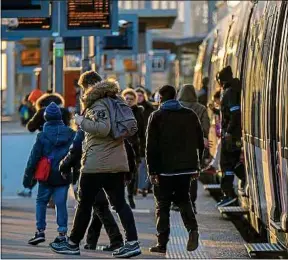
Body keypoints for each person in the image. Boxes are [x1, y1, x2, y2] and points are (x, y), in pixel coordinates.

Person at [50, 71, 141, 258]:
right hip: (116, 162)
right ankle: (132, 242)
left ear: (88, 87)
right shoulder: (117, 101)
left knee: (84, 204)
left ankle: (73, 243)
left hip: (97, 163)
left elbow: (103, 128)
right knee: (120, 204)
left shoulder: (98, 104)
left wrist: (81, 121)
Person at [146, 85, 204, 254]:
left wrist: (152, 171)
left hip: (164, 171)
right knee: (184, 200)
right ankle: (192, 230)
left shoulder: (156, 116)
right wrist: (196, 165)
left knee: (162, 206)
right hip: (186, 169)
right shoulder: (190, 115)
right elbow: (200, 142)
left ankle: (162, 243)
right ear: (175, 97)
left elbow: (151, 147)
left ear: (160, 98)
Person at [59, 129, 124, 251]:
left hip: (88, 172)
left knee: (98, 207)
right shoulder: (108, 128)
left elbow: (74, 151)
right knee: (99, 206)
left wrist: (63, 166)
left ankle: (116, 240)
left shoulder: (84, 130)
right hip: (107, 171)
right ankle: (92, 241)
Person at [22, 102, 75, 246]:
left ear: (46, 119)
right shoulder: (71, 133)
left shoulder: (42, 136)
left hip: (46, 175)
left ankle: (40, 231)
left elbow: (33, 158)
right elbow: (76, 155)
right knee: (60, 204)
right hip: (63, 175)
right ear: (60, 117)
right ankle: (62, 233)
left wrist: (27, 179)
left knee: (41, 201)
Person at [18, 91, 71, 202]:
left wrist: (40, 123)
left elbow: (30, 127)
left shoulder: (42, 111)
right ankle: (56, 198)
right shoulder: (65, 112)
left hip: (46, 148)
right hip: (63, 147)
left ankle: (29, 188)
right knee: (62, 170)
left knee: (38, 165)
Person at [177, 84, 210, 214]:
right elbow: (205, 126)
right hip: (194, 147)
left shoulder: (177, 106)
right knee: (192, 174)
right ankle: (192, 203)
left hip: (178, 145)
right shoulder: (201, 108)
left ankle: (180, 201)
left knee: (178, 173)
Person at [216, 66, 245, 207]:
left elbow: (235, 113)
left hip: (231, 136)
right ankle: (229, 192)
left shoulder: (229, 93)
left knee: (227, 164)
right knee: (230, 163)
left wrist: (228, 131)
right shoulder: (233, 90)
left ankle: (229, 194)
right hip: (234, 135)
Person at [122, 88, 145, 208]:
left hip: (134, 146)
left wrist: (142, 149)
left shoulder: (139, 112)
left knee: (132, 173)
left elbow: (141, 132)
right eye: (127, 98)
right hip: (120, 146)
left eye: (132, 99)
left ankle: (130, 195)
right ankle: (119, 198)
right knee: (119, 173)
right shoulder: (119, 111)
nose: (129, 101)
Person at [135, 87, 155, 196]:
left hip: (148, 139)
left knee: (145, 165)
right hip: (136, 140)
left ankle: (143, 187)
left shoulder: (150, 108)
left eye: (141, 95)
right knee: (139, 165)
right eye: (137, 95)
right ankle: (140, 187)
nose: (139, 97)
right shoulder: (131, 108)